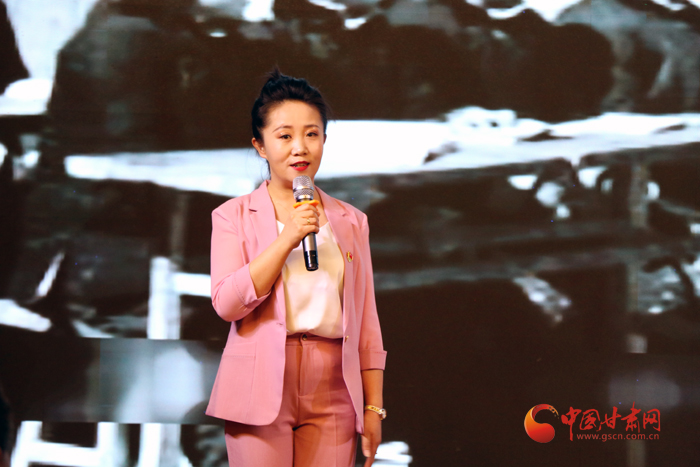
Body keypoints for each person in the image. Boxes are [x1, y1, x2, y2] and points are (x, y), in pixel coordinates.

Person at [206, 70, 387, 467]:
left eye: (312, 134)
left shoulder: (352, 221)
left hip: (334, 385)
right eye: (285, 136)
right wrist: (288, 236)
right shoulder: (232, 216)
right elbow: (227, 304)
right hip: (260, 382)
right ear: (260, 146)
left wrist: (373, 407)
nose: (300, 148)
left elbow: (367, 322)